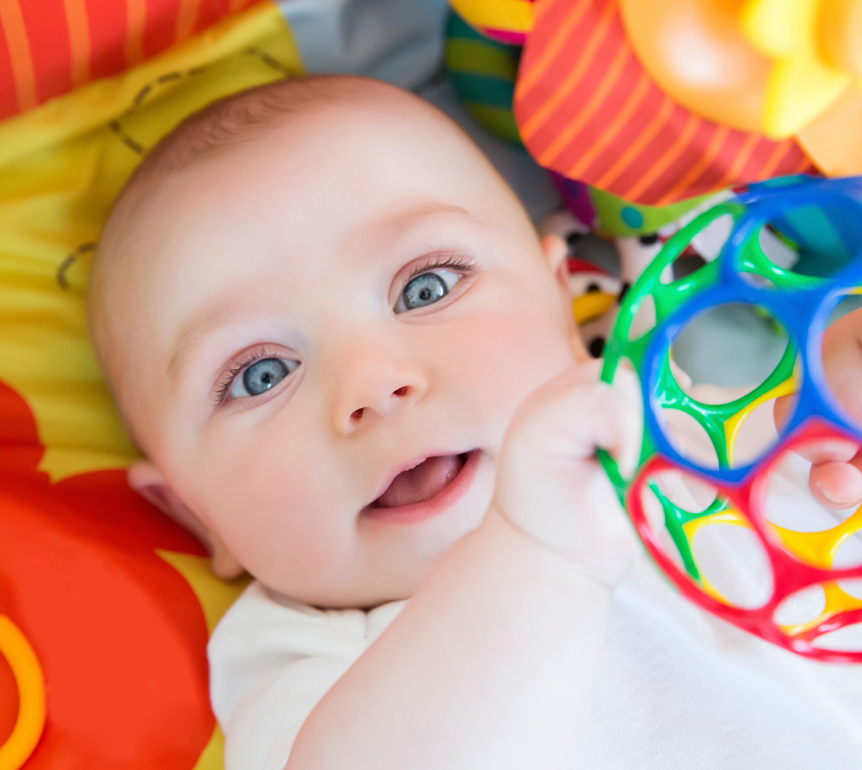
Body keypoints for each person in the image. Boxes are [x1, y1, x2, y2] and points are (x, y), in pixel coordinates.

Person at [87, 75, 862, 769]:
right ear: (193, 511)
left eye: (425, 289)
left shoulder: (710, 439)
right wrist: (535, 550)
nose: (374, 383)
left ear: (563, 302)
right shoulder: (300, 655)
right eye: (261, 375)